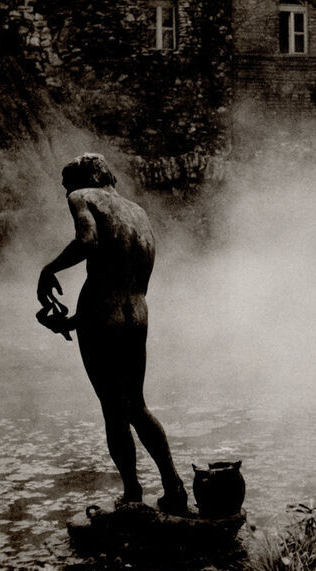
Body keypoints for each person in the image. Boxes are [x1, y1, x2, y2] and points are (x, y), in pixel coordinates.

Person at [37, 153, 188, 515]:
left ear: (83, 179)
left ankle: (132, 492)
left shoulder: (83, 197)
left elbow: (87, 240)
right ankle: (173, 486)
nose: (66, 194)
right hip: (136, 312)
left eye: (66, 186)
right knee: (136, 404)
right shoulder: (138, 213)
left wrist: (48, 270)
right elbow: (127, 279)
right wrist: (74, 322)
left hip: (101, 313)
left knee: (113, 409)